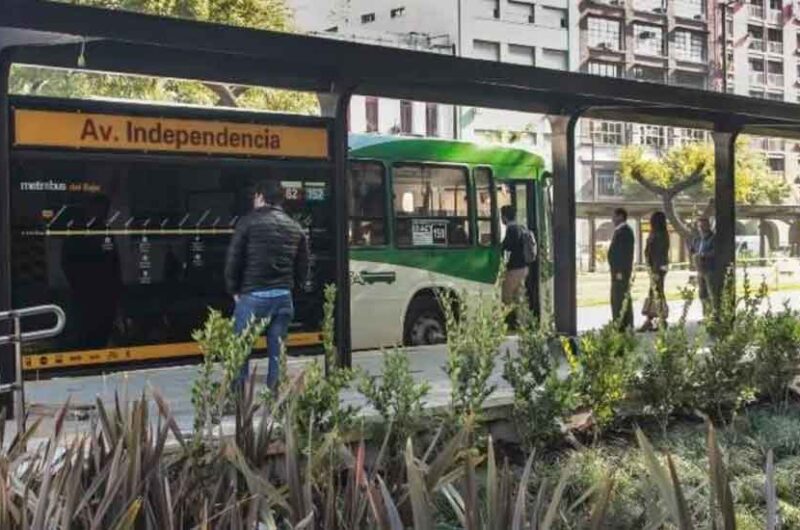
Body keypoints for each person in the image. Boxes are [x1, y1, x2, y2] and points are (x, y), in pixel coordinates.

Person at [225, 180, 309, 392]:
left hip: (253, 295)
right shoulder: (294, 227)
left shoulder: (247, 222)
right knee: (277, 350)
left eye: (255, 197)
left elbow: (233, 259)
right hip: (283, 296)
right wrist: (292, 289)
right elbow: (303, 267)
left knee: (241, 348)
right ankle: (276, 396)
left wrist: (233, 289)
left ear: (260, 197)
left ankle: (239, 400)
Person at [640, 211, 670, 332]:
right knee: (655, 292)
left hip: (658, 268)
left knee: (657, 292)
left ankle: (656, 320)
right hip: (653, 267)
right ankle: (654, 320)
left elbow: (660, 254)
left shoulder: (661, 234)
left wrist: (656, 271)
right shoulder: (655, 233)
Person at [608, 207, 635, 330]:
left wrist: (619, 272)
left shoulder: (625, 232)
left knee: (620, 297)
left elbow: (623, 254)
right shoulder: (620, 231)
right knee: (619, 297)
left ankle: (622, 324)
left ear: (620, 216)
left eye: (614, 216)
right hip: (617, 272)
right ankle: (623, 323)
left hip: (620, 273)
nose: (612, 219)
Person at [500, 205, 531, 306]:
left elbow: (507, 246)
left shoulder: (511, 230)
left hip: (515, 269)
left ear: (504, 217)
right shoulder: (521, 228)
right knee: (519, 297)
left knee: (506, 297)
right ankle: (523, 320)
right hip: (524, 267)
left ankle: (511, 320)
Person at [691, 216, 715, 316]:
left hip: (710, 269)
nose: (701, 228)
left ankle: (714, 316)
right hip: (700, 270)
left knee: (711, 293)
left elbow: (716, 252)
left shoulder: (713, 238)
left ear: (708, 226)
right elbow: (692, 250)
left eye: (703, 225)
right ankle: (706, 315)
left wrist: (703, 255)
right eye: (699, 226)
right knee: (702, 294)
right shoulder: (697, 239)